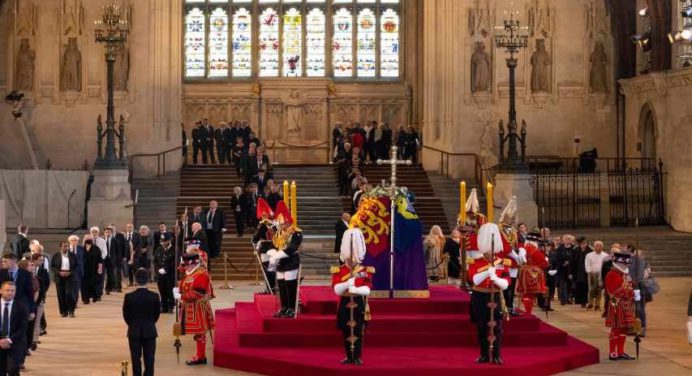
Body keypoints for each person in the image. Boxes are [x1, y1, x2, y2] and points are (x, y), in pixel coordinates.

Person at [468, 223, 510, 365]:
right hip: (480, 296)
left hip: (496, 296)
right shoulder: (475, 261)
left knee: (497, 326)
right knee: (481, 326)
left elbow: (507, 282)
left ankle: (497, 354)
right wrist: (487, 271)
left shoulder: (502, 262)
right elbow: (473, 279)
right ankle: (484, 354)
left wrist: (496, 279)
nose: (489, 254)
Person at [331, 226, 374, 365]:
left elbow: (367, 290)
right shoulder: (339, 270)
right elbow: (337, 289)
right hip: (344, 303)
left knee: (358, 330)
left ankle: (357, 356)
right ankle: (348, 356)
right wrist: (345, 285)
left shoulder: (365, 270)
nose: (351, 260)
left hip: (359, 303)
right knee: (345, 329)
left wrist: (355, 289)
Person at [173, 253, 214, 366]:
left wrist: (181, 296)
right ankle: (200, 355)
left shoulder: (201, 274)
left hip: (198, 307)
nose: (185, 267)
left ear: (193, 263)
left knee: (200, 332)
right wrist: (179, 289)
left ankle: (201, 357)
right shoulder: (190, 272)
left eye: (186, 265)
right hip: (190, 306)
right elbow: (185, 283)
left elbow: (197, 294)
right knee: (198, 332)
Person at [267, 201, 303, 318]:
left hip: (291, 262)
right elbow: (273, 246)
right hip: (281, 263)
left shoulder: (296, 233)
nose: (279, 225)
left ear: (287, 222)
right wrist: (272, 254)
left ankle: (292, 308)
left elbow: (291, 248)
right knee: (281, 286)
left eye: (281, 223)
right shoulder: (279, 233)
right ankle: (284, 307)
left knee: (290, 285)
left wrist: (276, 256)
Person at [123, 268, 161, 376]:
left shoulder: (129, 297)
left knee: (135, 359)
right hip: (150, 330)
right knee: (149, 359)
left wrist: (133, 324)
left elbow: (126, 315)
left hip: (134, 330)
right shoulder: (154, 296)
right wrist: (150, 322)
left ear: (135, 281)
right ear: (148, 281)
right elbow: (157, 314)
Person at [604, 251, 636, 361]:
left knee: (624, 329)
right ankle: (612, 352)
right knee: (616, 328)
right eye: (624, 264)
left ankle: (621, 351)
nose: (626, 266)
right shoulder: (611, 275)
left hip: (626, 304)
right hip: (616, 304)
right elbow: (618, 292)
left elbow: (630, 287)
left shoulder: (623, 275)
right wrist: (630, 292)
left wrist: (631, 289)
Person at [515, 230, 549, 315]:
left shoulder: (523, 248)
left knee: (526, 293)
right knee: (531, 294)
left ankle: (527, 311)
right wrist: (546, 259)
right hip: (533, 274)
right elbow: (544, 264)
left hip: (523, 273)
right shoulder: (535, 250)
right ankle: (528, 312)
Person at [0, 281, 29, 376]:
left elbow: (23, 328)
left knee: (13, 369)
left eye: (12, 290)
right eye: (7, 290)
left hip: (15, 342)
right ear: (1, 291)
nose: (10, 292)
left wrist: (8, 340)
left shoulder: (22, 307)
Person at [252, 199, 278, 294]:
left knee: (268, 271)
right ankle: (273, 288)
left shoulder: (263, 226)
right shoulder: (276, 224)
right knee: (272, 271)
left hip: (266, 250)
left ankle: (270, 289)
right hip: (275, 249)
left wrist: (256, 242)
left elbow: (255, 238)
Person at [628, 247, 651, 337]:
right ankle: (637, 328)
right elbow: (646, 275)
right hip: (635, 287)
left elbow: (646, 275)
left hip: (635, 287)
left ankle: (639, 328)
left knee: (637, 307)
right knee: (636, 307)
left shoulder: (642, 262)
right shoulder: (642, 262)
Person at [50, 242, 77, 317]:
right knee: (61, 294)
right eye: (64, 246)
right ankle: (63, 311)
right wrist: (59, 272)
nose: (66, 248)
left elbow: (76, 266)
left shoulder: (72, 255)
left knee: (69, 293)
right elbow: (52, 267)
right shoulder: (56, 255)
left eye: (67, 246)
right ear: (61, 247)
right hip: (59, 277)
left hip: (69, 276)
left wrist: (70, 272)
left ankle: (71, 311)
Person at [29, 254, 49, 351]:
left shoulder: (43, 273)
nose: (42, 262)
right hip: (28, 302)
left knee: (37, 322)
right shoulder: (25, 276)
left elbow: (46, 285)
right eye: (40, 260)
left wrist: (40, 298)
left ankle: (34, 341)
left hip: (39, 301)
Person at [154, 234, 176, 313]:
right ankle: (164, 306)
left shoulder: (175, 249)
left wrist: (166, 269)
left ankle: (171, 306)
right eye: (162, 241)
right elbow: (155, 261)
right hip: (160, 274)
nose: (163, 243)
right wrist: (158, 270)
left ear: (169, 241)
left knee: (170, 290)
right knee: (162, 290)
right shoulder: (158, 249)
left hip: (170, 274)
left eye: (165, 241)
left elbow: (175, 262)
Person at [585, 240, 608, 310]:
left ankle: (597, 304)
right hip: (592, 274)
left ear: (602, 247)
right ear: (594, 247)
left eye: (600, 246)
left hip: (601, 274)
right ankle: (590, 303)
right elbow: (587, 265)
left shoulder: (605, 255)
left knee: (599, 290)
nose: (599, 247)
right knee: (591, 289)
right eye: (597, 246)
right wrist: (589, 272)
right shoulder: (589, 255)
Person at [80, 238, 103, 304]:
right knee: (84, 285)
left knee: (93, 284)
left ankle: (95, 296)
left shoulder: (96, 249)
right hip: (84, 270)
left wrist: (100, 269)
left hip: (94, 270)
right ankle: (85, 299)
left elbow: (100, 259)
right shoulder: (82, 249)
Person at [572, 236, 591, 307]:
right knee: (579, 286)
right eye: (582, 244)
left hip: (586, 272)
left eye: (585, 243)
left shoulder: (590, 250)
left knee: (586, 287)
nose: (583, 245)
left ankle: (585, 301)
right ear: (580, 244)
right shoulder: (576, 250)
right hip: (578, 271)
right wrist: (570, 272)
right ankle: (580, 301)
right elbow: (572, 261)